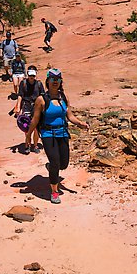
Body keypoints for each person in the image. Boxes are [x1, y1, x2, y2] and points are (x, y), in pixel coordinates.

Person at [27, 68, 89, 204]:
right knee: (56, 162)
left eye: (58, 79)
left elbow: (70, 115)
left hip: (62, 133)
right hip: (48, 134)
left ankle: (51, 168)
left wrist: (80, 123)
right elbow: (35, 120)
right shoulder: (41, 100)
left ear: (61, 82)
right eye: (52, 79)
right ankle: (54, 192)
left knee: (64, 164)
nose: (55, 82)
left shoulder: (63, 98)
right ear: (47, 81)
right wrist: (29, 136)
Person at [14, 65, 45, 154]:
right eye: (30, 76)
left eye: (33, 76)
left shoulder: (39, 84)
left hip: (36, 107)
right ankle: (27, 145)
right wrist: (18, 107)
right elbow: (20, 95)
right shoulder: (23, 83)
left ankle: (35, 145)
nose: (31, 78)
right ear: (27, 74)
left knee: (36, 129)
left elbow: (42, 96)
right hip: (26, 106)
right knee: (27, 128)